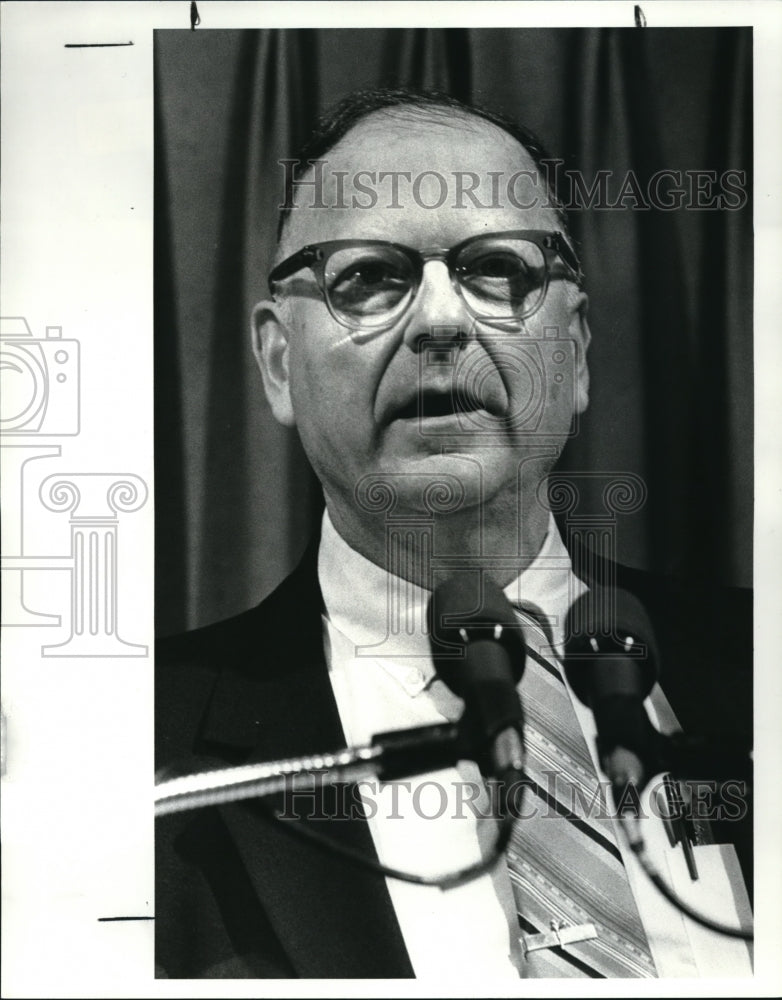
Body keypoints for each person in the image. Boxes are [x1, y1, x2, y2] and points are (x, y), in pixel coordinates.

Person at [155, 88, 753, 979]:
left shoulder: (756, 660)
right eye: (366, 277)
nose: (441, 321)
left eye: (498, 269)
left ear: (579, 355)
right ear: (279, 364)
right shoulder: (130, 748)